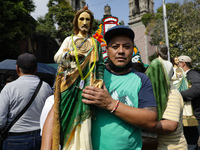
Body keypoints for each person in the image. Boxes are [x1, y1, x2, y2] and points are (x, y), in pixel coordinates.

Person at [41, 25, 158, 150]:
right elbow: (56, 110)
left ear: (132, 50)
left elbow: (150, 120)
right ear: (106, 50)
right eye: (115, 46)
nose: (121, 51)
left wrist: (111, 104)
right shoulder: (89, 74)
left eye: (127, 46)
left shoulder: (141, 79)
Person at [42, 7, 104, 150]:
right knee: (65, 118)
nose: (84, 22)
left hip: (87, 86)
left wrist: (99, 80)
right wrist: (69, 55)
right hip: (68, 85)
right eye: (81, 19)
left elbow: (100, 64)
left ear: (91, 23)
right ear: (76, 22)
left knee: (85, 122)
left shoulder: (95, 43)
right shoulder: (69, 40)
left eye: (87, 19)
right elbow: (57, 57)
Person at [0, 53, 53, 150]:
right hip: (41, 138)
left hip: (15, 139)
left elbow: (0, 121)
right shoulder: (46, 87)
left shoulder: (9, 88)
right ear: (36, 69)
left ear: (17, 68)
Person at [178, 55, 200, 150]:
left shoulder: (191, 74)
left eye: (178, 63)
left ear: (183, 64)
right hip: (193, 116)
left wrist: (179, 94)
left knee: (191, 145)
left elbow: (197, 88)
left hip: (195, 117)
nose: (177, 66)